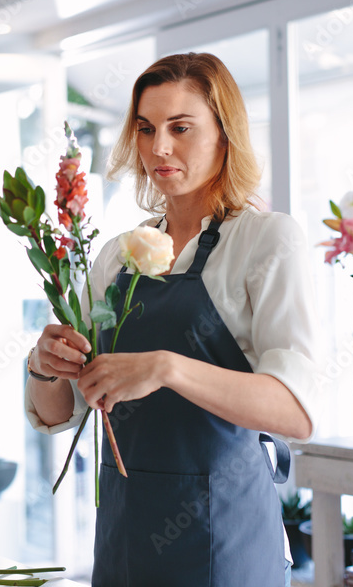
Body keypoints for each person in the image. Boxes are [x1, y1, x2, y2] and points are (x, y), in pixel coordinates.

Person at [24, 52, 322, 587]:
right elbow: (61, 412)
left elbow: (294, 412)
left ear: (225, 134)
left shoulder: (266, 240)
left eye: (181, 127)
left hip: (225, 540)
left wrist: (167, 368)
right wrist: (45, 366)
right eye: (146, 129)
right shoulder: (118, 254)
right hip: (124, 536)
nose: (158, 147)